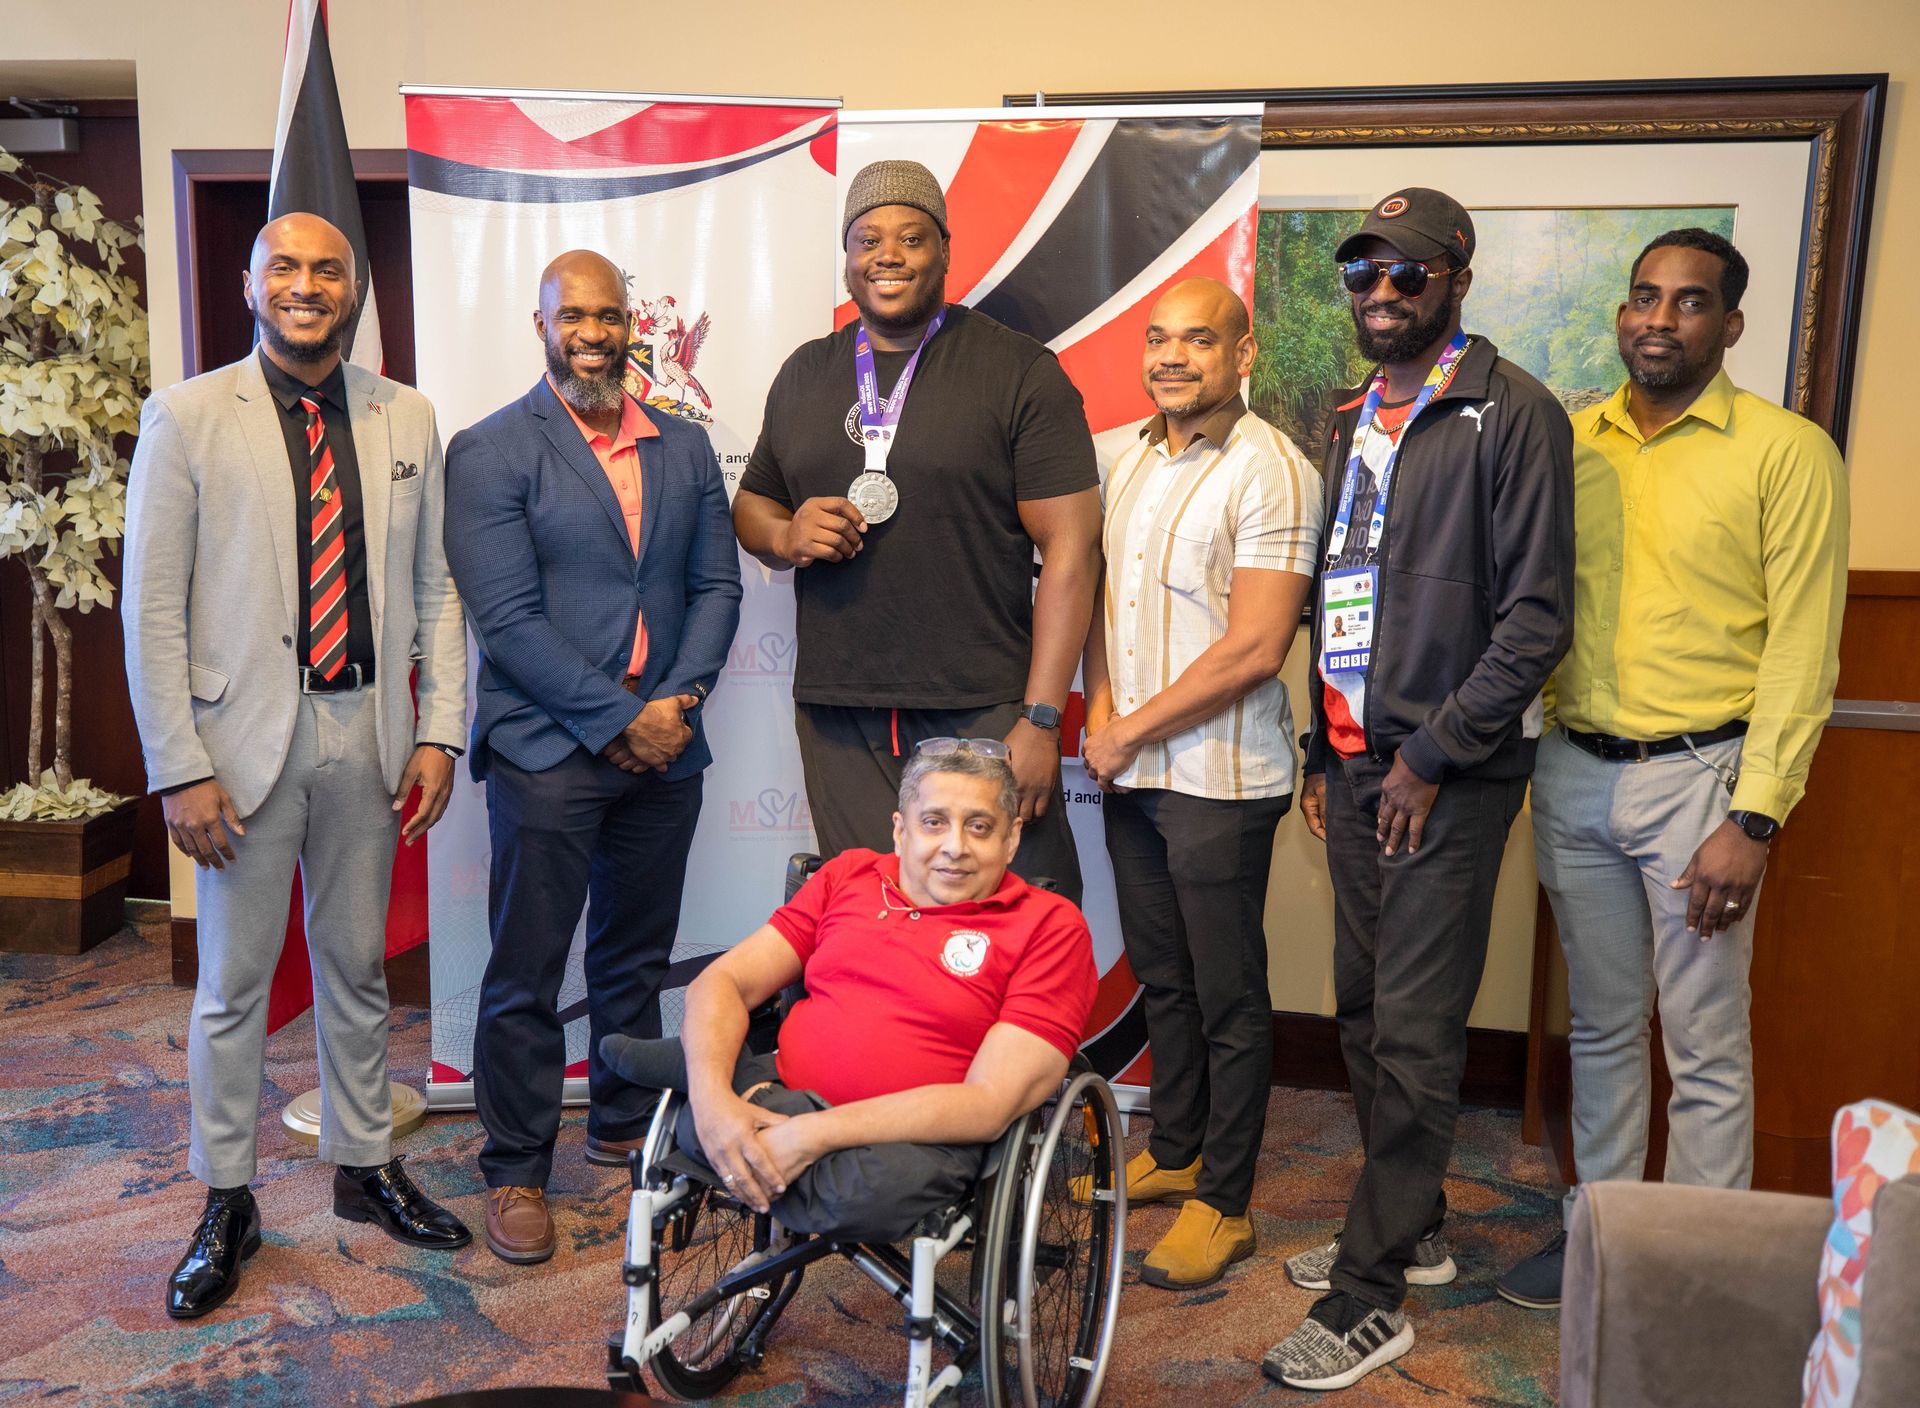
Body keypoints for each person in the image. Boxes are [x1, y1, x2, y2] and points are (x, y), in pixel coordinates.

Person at [123, 213, 472, 1320]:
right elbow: (154, 610)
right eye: (286, 267)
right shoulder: (184, 417)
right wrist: (178, 766)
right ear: (249, 283)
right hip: (238, 751)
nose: (307, 285)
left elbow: (438, 589)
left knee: (356, 969)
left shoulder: (403, 411)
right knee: (229, 987)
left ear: (356, 288)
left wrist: (439, 728)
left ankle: (364, 1169)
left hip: (368, 733)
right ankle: (227, 1199)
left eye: (328, 269)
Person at [1497, 229, 1849, 1310]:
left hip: (1704, 782)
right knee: (1602, 1024)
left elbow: (1804, 641)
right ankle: (1601, 1234)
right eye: (1643, 297)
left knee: (1703, 1038)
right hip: (1572, 771)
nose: (1658, 319)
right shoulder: (1571, 441)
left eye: (1689, 303)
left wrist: (1755, 814)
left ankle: (1701, 1267)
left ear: (1730, 325)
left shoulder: (1786, 451)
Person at [1262, 188, 1574, 1391]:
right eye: (1362, 276)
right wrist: (1320, 751)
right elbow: (1339, 601)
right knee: (1361, 1008)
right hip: (1354, 761)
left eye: (1408, 275)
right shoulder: (1353, 419)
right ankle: (1419, 1226)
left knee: (1417, 1024)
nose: (1381, 296)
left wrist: (1432, 755)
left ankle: (1369, 1293)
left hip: (1447, 774)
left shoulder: (1512, 414)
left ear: (1456, 278)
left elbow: (1536, 618)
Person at [443, 250, 742, 1265]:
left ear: (632, 328)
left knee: (631, 956)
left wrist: (679, 704)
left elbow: (717, 591)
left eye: (609, 314)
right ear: (542, 327)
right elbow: (509, 621)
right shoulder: (489, 451)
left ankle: (622, 1126)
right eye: (573, 314)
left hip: (669, 750)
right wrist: (620, 719)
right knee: (528, 965)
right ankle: (517, 1164)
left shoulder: (686, 449)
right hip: (547, 751)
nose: (594, 330)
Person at [733, 160, 1102, 905]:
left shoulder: (1018, 371)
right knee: (875, 919)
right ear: (847, 258)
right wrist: (787, 534)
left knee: (1011, 916)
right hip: (843, 710)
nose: (888, 255)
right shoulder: (805, 373)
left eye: (911, 237)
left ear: (944, 250)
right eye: (867, 239)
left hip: (983, 706)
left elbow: (1073, 547)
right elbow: (753, 504)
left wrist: (1039, 718)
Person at [600, 743, 1097, 1241]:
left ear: (1011, 840)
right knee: (705, 1123)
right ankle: (724, 1088)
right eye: (934, 822)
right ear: (901, 831)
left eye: (979, 826)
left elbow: (989, 1103)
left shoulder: (1049, 926)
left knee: (867, 1192)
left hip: (913, 1142)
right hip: (792, 1088)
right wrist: (712, 1107)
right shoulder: (849, 876)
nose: (955, 847)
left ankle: (735, 1084)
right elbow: (724, 980)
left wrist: (806, 1134)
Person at [1079, 278, 1321, 1288]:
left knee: (1228, 996)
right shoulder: (1122, 455)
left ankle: (1226, 1200)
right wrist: (1098, 708)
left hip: (1219, 778)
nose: (1174, 356)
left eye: (1198, 340)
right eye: (1159, 338)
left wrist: (1126, 725)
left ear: (1243, 351)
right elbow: (1102, 599)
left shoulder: (1276, 471)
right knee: (1163, 975)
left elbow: (1259, 646)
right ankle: (1175, 1150)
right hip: (1132, 766)